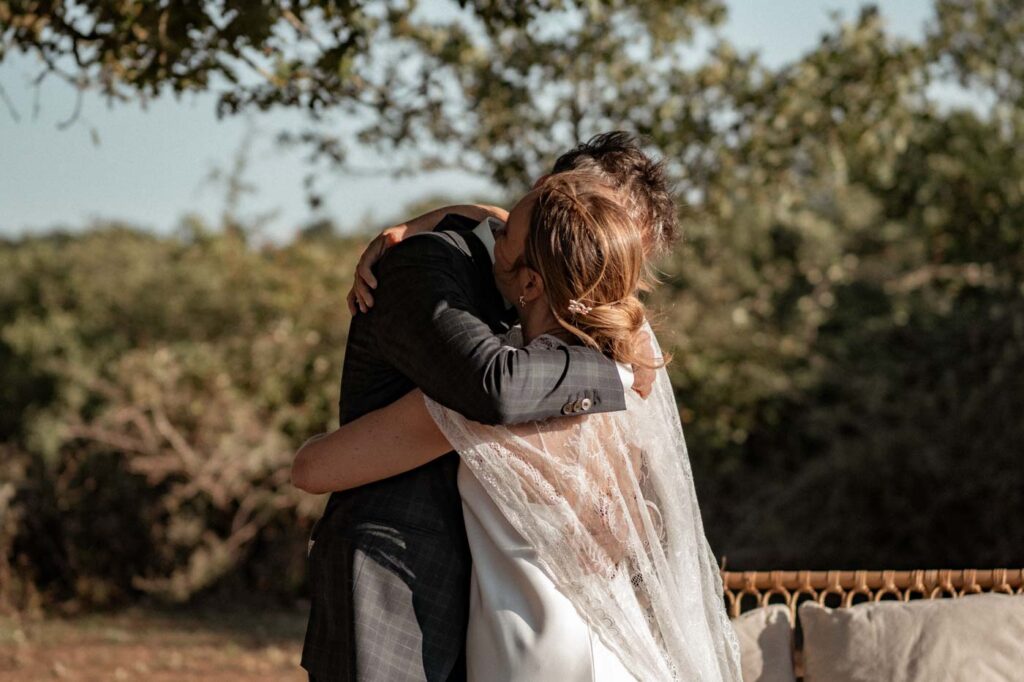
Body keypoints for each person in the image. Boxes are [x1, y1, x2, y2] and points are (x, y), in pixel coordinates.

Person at [294, 170, 742, 681]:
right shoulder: (624, 387)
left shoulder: (488, 400)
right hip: (608, 635)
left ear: (530, 282)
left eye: (505, 234)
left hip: (530, 644)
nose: (493, 232)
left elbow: (310, 468)